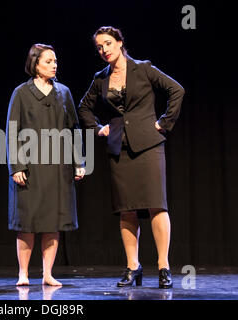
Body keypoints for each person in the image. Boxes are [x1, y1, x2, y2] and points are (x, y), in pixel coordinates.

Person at [78, 26, 185, 289]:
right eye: (99, 47)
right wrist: (98, 128)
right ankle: (133, 267)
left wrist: (163, 123)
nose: (104, 50)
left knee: (156, 205)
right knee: (126, 209)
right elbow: (84, 108)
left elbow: (177, 90)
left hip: (148, 145)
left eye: (108, 44)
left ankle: (163, 267)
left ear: (120, 43)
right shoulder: (101, 78)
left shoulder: (143, 68)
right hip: (119, 148)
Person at [6, 44, 85, 286]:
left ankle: (48, 273)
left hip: (58, 167)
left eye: (55, 60)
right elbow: (12, 131)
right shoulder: (21, 92)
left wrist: (79, 162)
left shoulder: (64, 92)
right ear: (35, 64)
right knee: (28, 221)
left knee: (53, 221)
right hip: (30, 167)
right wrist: (17, 166)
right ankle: (23, 273)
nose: (54, 65)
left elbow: (73, 130)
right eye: (48, 61)